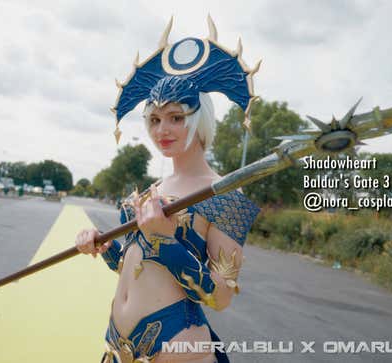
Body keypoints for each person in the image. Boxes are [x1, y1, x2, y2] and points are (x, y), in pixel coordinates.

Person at [75, 17, 261, 363]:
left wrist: (166, 240)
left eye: (176, 117)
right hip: (117, 346)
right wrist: (103, 246)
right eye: (155, 119)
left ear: (199, 119)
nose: (163, 129)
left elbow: (220, 298)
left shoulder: (226, 198)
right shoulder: (149, 192)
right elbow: (139, 265)